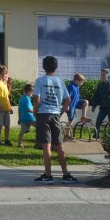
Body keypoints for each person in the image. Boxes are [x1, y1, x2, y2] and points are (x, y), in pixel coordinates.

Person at [33, 56, 77, 184]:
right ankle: (66, 174)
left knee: (46, 145)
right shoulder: (60, 81)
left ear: (43, 66)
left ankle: (48, 174)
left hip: (43, 114)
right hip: (56, 114)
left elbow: (36, 98)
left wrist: (35, 112)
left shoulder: (40, 80)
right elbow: (67, 100)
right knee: (59, 145)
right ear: (56, 67)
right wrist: (61, 111)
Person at [91, 69, 110, 135]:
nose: (102, 76)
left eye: (104, 74)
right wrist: (94, 106)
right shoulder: (100, 85)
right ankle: (96, 135)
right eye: (101, 74)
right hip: (103, 108)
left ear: (108, 75)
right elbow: (96, 96)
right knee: (98, 122)